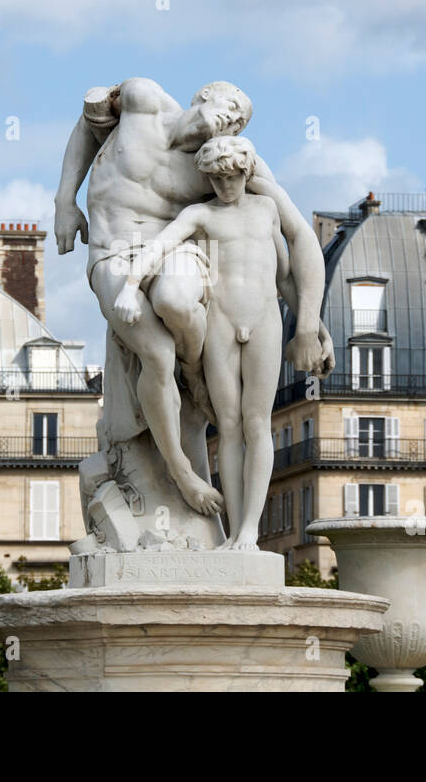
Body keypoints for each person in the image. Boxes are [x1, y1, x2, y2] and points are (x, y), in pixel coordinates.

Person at [54, 78, 333, 516]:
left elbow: (291, 243)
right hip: (113, 253)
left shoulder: (224, 165)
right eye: (232, 106)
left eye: (240, 121)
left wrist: (310, 322)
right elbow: (88, 126)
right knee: (156, 353)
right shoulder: (142, 99)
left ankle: (194, 371)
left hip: (174, 250)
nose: (233, 121)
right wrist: (64, 200)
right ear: (202, 96)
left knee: (179, 301)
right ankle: (183, 473)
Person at [113, 135, 282, 550]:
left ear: (246, 172)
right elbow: (160, 245)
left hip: (264, 319)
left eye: (232, 176)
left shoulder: (268, 208)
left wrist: (313, 324)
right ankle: (234, 532)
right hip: (223, 322)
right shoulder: (200, 214)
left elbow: (288, 269)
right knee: (228, 426)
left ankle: (250, 532)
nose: (225, 185)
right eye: (217, 178)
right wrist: (131, 285)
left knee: (258, 424)